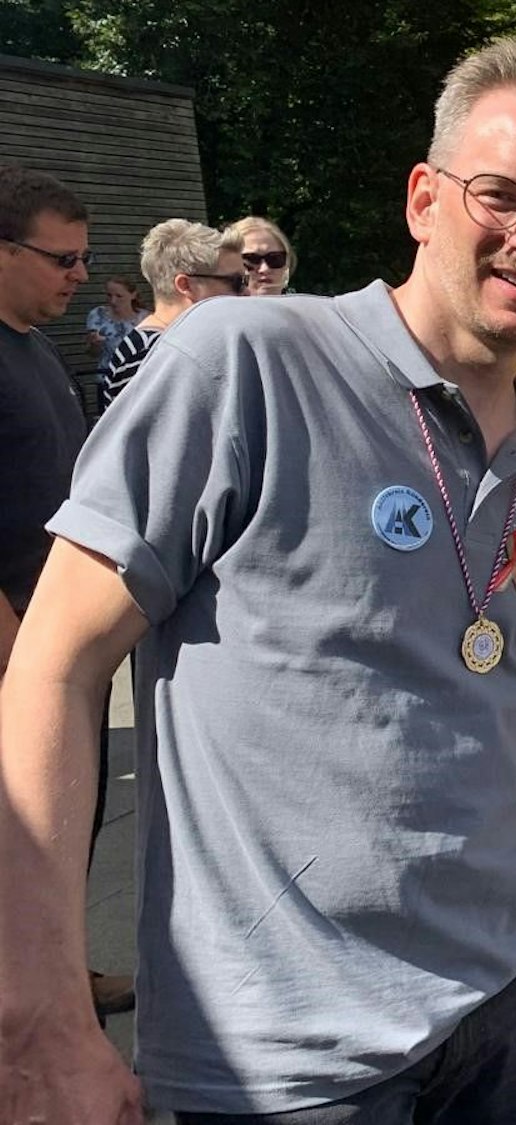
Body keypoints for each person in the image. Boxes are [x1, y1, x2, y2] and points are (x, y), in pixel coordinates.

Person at [0, 38, 516, 1124]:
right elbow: (53, 669)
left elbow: (456, 695)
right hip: (292, 1059)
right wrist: (40, 1019)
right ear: (424, 199)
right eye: (501, 195)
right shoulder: (247, 362)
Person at [0, 163, 135, 1021]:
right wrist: (21, 657)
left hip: (52, 642)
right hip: (15, 648)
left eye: (83, 258)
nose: (81, 276)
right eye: (63, 259)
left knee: (62, 824)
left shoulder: (37, 350)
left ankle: (57, 976)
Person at [101, 219, 245, 405]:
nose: (247, 292)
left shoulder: (161, 345)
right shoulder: (154, 355)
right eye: (237, 282)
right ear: (185, 285)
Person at [85, 274, 144, 372]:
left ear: (133, 295)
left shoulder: (146, 318)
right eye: (109, 295)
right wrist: (95, 345)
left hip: (137, 375)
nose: (113, 301)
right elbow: (92, 354)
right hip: (107, 375)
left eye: (119, 296)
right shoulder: (98, 315)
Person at [227, 215, 295, 296]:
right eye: (251, 259)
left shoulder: (305, 303)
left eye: (275, 259)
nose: (265, 269)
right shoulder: (215, 303)